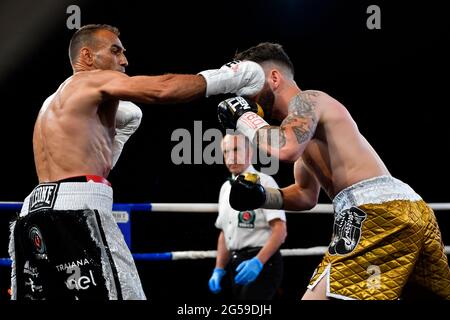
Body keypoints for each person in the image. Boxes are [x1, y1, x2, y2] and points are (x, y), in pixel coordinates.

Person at [8, 24, 265, 300]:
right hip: (77, 215)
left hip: (32, 217)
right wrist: (227, 78)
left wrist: (111, 142)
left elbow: (83, 163)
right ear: (87, 56)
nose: (124, 60)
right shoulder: (91, 80)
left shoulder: (52, 103)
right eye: (115, 51)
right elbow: (161, 89)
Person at [216, 42, 450, 300]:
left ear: (273, 77)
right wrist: (261, 196)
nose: (246, 96)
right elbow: (306, 196)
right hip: (405, 211)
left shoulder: (308, 100)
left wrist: (243, 118)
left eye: (249, 84)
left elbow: (286, 147)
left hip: (374, 213)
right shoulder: (303, 133)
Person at [208, 134, 287, 300]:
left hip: (264, 261)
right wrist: (219, 268)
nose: (230, 156)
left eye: (236, 149)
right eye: (226, 151)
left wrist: (258, 262)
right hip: (236, 263)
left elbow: (280, 230)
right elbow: (224, 232)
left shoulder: (264, 182)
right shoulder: (225, 188)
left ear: (250, 152)